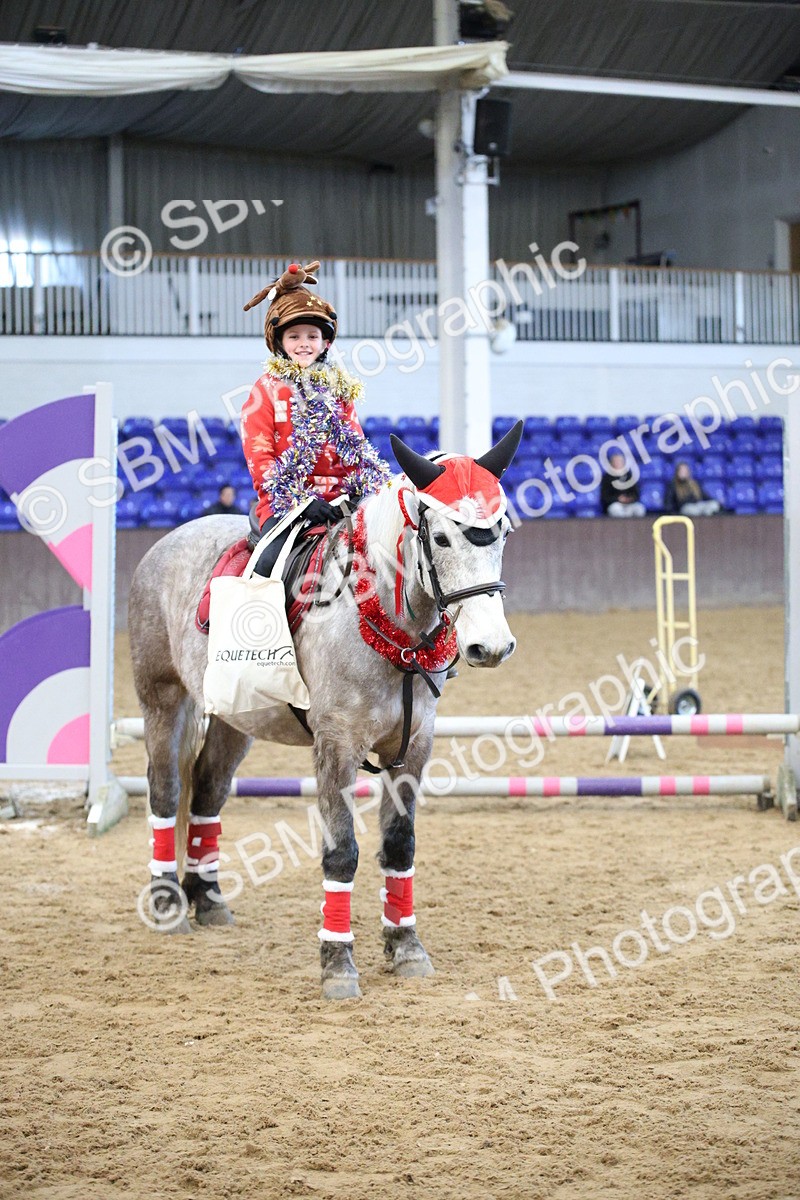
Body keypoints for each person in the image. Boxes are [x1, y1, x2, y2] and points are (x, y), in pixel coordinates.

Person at [240, 259, 391, 577]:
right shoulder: (263, 391)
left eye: (312, 336)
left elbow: (356, 448)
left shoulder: (341, 390)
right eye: (294, 336)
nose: (304, 343)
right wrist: (301, 503)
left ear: (325, 343)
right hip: (285, 504)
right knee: (269, 567)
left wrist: (362, 489)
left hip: (341, 501)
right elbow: (260, 458)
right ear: (280, 342)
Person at [600, 451, 646, 518]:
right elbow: (604, 497)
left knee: (640, 509)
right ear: (612, 464)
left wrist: (629, 499)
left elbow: (636, 494)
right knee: (615, 509)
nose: (618, 463)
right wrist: (618, 499)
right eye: (616, 462)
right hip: (616, 504)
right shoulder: (607, 477)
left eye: (620, 461)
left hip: (630, 504)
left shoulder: (629, 476)